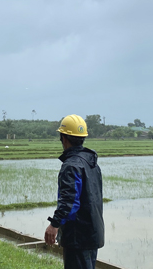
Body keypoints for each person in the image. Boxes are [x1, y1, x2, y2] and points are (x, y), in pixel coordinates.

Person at [44, 114, 104, 269]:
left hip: (78, 235)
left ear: (63, 138)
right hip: (92, 231)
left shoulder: (71, 165)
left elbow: (70, 201)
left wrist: (54, 224)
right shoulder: (91, 163)